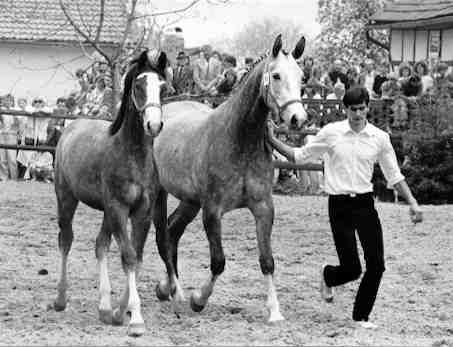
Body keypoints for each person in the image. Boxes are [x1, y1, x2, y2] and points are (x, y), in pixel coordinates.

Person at [266, 86, 423, 329]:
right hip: (339, 205)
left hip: (365, 204)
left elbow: (394, 175)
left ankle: (361, 316)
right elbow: (298, 156)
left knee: (377, 265)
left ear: (368, 107)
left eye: (362, 109)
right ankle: (328, 275)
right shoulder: (331, 133)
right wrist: (271, 139)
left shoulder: (380, 138)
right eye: (353, 109)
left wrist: (412, 203)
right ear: (345, 109)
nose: (358, 114)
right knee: (351, 269)